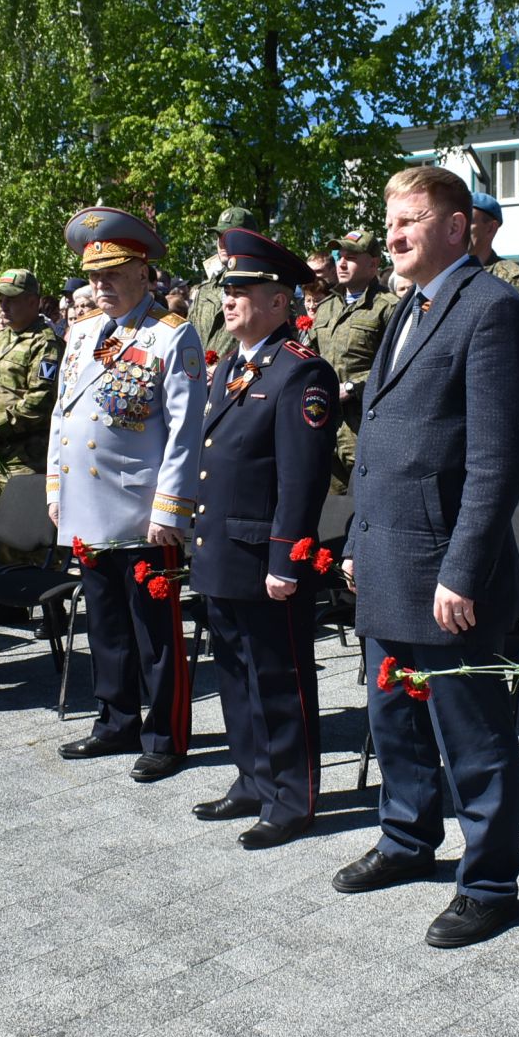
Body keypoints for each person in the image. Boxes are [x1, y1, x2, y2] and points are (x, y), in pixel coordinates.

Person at [338, 165, 519, 949]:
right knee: (394, 718)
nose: (394, 236)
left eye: (411, 220)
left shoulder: (491, 309)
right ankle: (406, 838)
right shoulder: (407, 307)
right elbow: (382, 440)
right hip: (388, 557)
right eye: (390, 222)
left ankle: (488, 881)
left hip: (448, 570)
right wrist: (355, 540)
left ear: (457, 227)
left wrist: (462, 569)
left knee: (475, 735)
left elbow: (496, 459)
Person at [188, 229, 337, 849]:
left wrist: (286, 560)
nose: (230, 299)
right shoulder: (233, 366)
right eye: (227, 289)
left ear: (280, 301)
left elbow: (301, 480)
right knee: (234, 674)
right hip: (222, 547)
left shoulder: (301, 373)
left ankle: (291, 797)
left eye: (244, 289)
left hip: (264, 554)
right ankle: (251, 779)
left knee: (280, 678)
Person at [49, 207, 204, 779]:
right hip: (87, 507)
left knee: (154, 631)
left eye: (112, 273)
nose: (100, 286)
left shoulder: (172, 334)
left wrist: (171, 508)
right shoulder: (82, 333)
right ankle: (114, 722)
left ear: (144, 272)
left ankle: (165, 735)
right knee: (104, 622)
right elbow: (63, 417)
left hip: (142, 512)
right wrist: (54, 486)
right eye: (93, 276)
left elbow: (185, 431)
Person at [0, 268, 65, 566]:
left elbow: (41, 399)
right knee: (2, 531)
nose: (3, 307)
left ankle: (50, 606)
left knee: (32, 534)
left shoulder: (45, 344)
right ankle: (10, 608)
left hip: (25, 456)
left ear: (33, 302)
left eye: (11, 300)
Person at [304, 228, 397, 492]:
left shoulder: (388, 307)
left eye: (352, 257)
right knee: (328, 510)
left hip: (364, 428)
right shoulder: (326, 307)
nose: (342, 263)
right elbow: (308, 356)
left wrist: (352, 387)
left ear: (374, 264)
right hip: (323, 423)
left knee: (367, 502)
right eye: (339, 256)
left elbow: (398, 365)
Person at [187, 207, 254, 362]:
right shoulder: (205, 291)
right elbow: (188, 336)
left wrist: (224, 368)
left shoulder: (263, 288)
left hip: (242, 379)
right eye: (219, 236)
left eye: (229, 236)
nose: (221, 242)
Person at [467, 191, 519, 308]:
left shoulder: (512, 278)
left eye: (468, 222)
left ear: (490, 228)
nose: (459, 228)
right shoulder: (449, 273)